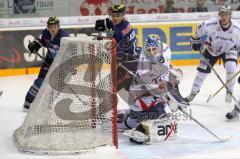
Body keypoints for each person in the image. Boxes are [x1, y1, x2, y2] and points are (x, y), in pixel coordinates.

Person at [118, 36, 187, 144]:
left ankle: (138, 121)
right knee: (134, 120)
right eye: (149, 50)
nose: (151, 52)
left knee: (163, 110)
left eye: (154, 49)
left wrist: (177, 101)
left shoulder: (165, 54)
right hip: (141, 97)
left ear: (158, 48)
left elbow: (171, 85)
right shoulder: (143, 65)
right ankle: (132, 121)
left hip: (154, 99)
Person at [185, 5, 240, 104]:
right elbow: (198, 30)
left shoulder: (237, 29)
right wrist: (195, 41)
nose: (224, 17)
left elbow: (239, 45)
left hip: (229, 49)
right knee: (201, 72)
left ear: (230, 15)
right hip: (212, 49)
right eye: (222, 14)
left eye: (226, 14)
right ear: (219, 15)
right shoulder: (210, 24)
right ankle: (192, 94)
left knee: (231, 67)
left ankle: (229, 92)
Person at [23, 17, 69, 111]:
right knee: (40, 82)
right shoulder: (46, 33)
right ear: (48, 27)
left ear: (58, 27)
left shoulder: (64, 37)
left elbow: (71, 51)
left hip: (60, 64)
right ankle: (27, 102)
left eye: (55, 26)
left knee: (55, 86)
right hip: (49, 61)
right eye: (50, 26)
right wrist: (36, 44)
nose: (52, 29)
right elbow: (44, 42)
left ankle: (49, 105)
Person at [95, 3, 141, 92]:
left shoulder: (119, 31)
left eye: (118, 15)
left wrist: (101, 55)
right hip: (130, 59)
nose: (115, 18)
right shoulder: (125, 23)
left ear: (123, 15)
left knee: (109, 89)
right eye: (113, 15)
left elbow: (117, 54)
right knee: (128, 88)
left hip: (130, 63)